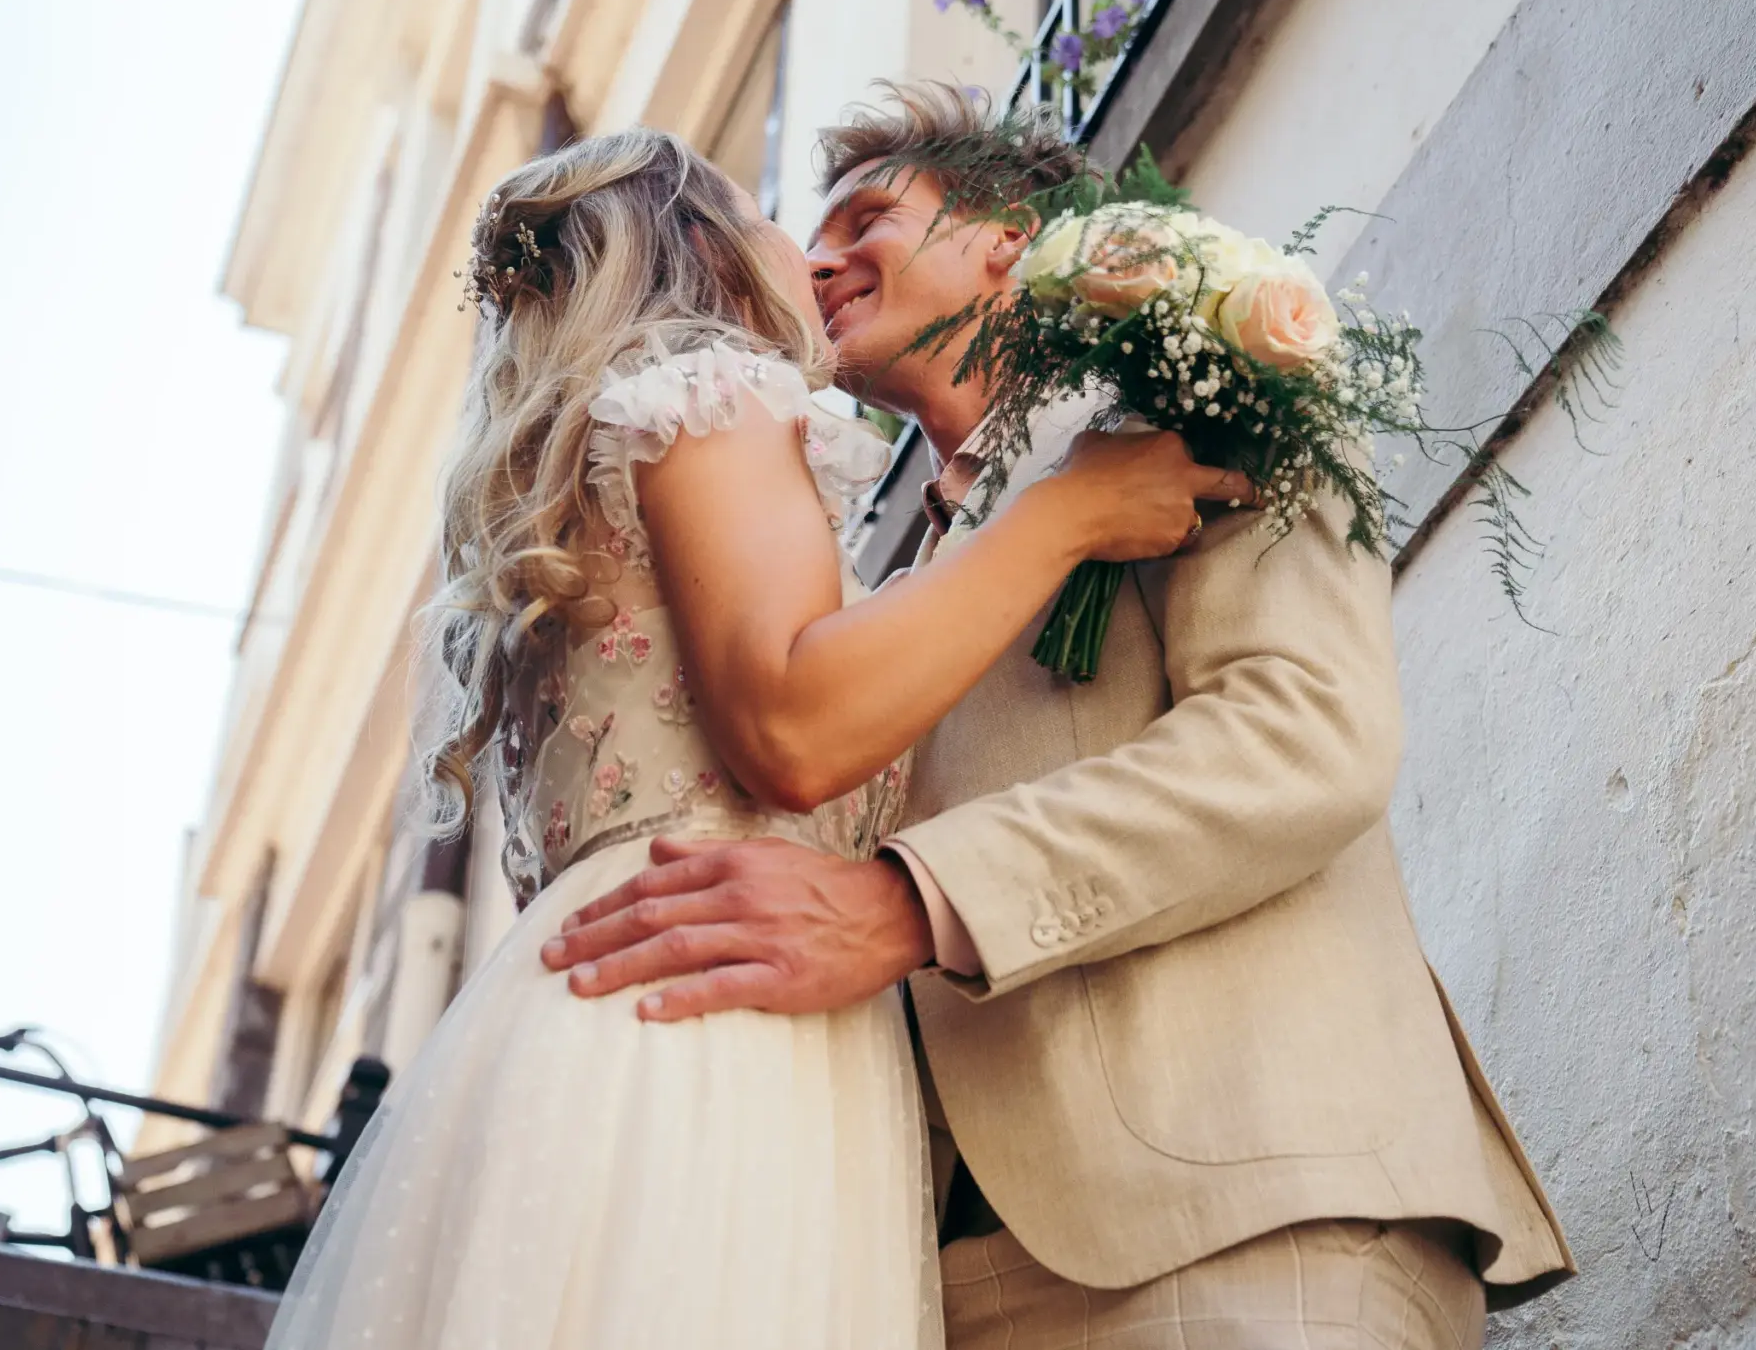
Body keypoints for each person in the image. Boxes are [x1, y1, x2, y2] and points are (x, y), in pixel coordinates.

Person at [545, 84, 1579, 1349]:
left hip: (1240, 1217)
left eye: (868, 216)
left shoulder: (1201, 395)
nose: (817, 260)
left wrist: (904, 900)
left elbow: (1303, 736)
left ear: (1009, 239)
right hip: (924, 1279)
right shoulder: (873, 594)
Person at [263, 127, 1251, 1349]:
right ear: (709, 243)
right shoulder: (707, 395)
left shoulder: (583, 478)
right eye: (787, 217)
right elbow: (793, 726)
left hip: (583, 1015)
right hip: (711, 1022)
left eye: (856, 222)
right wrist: (1064, 518)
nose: (816, 255)